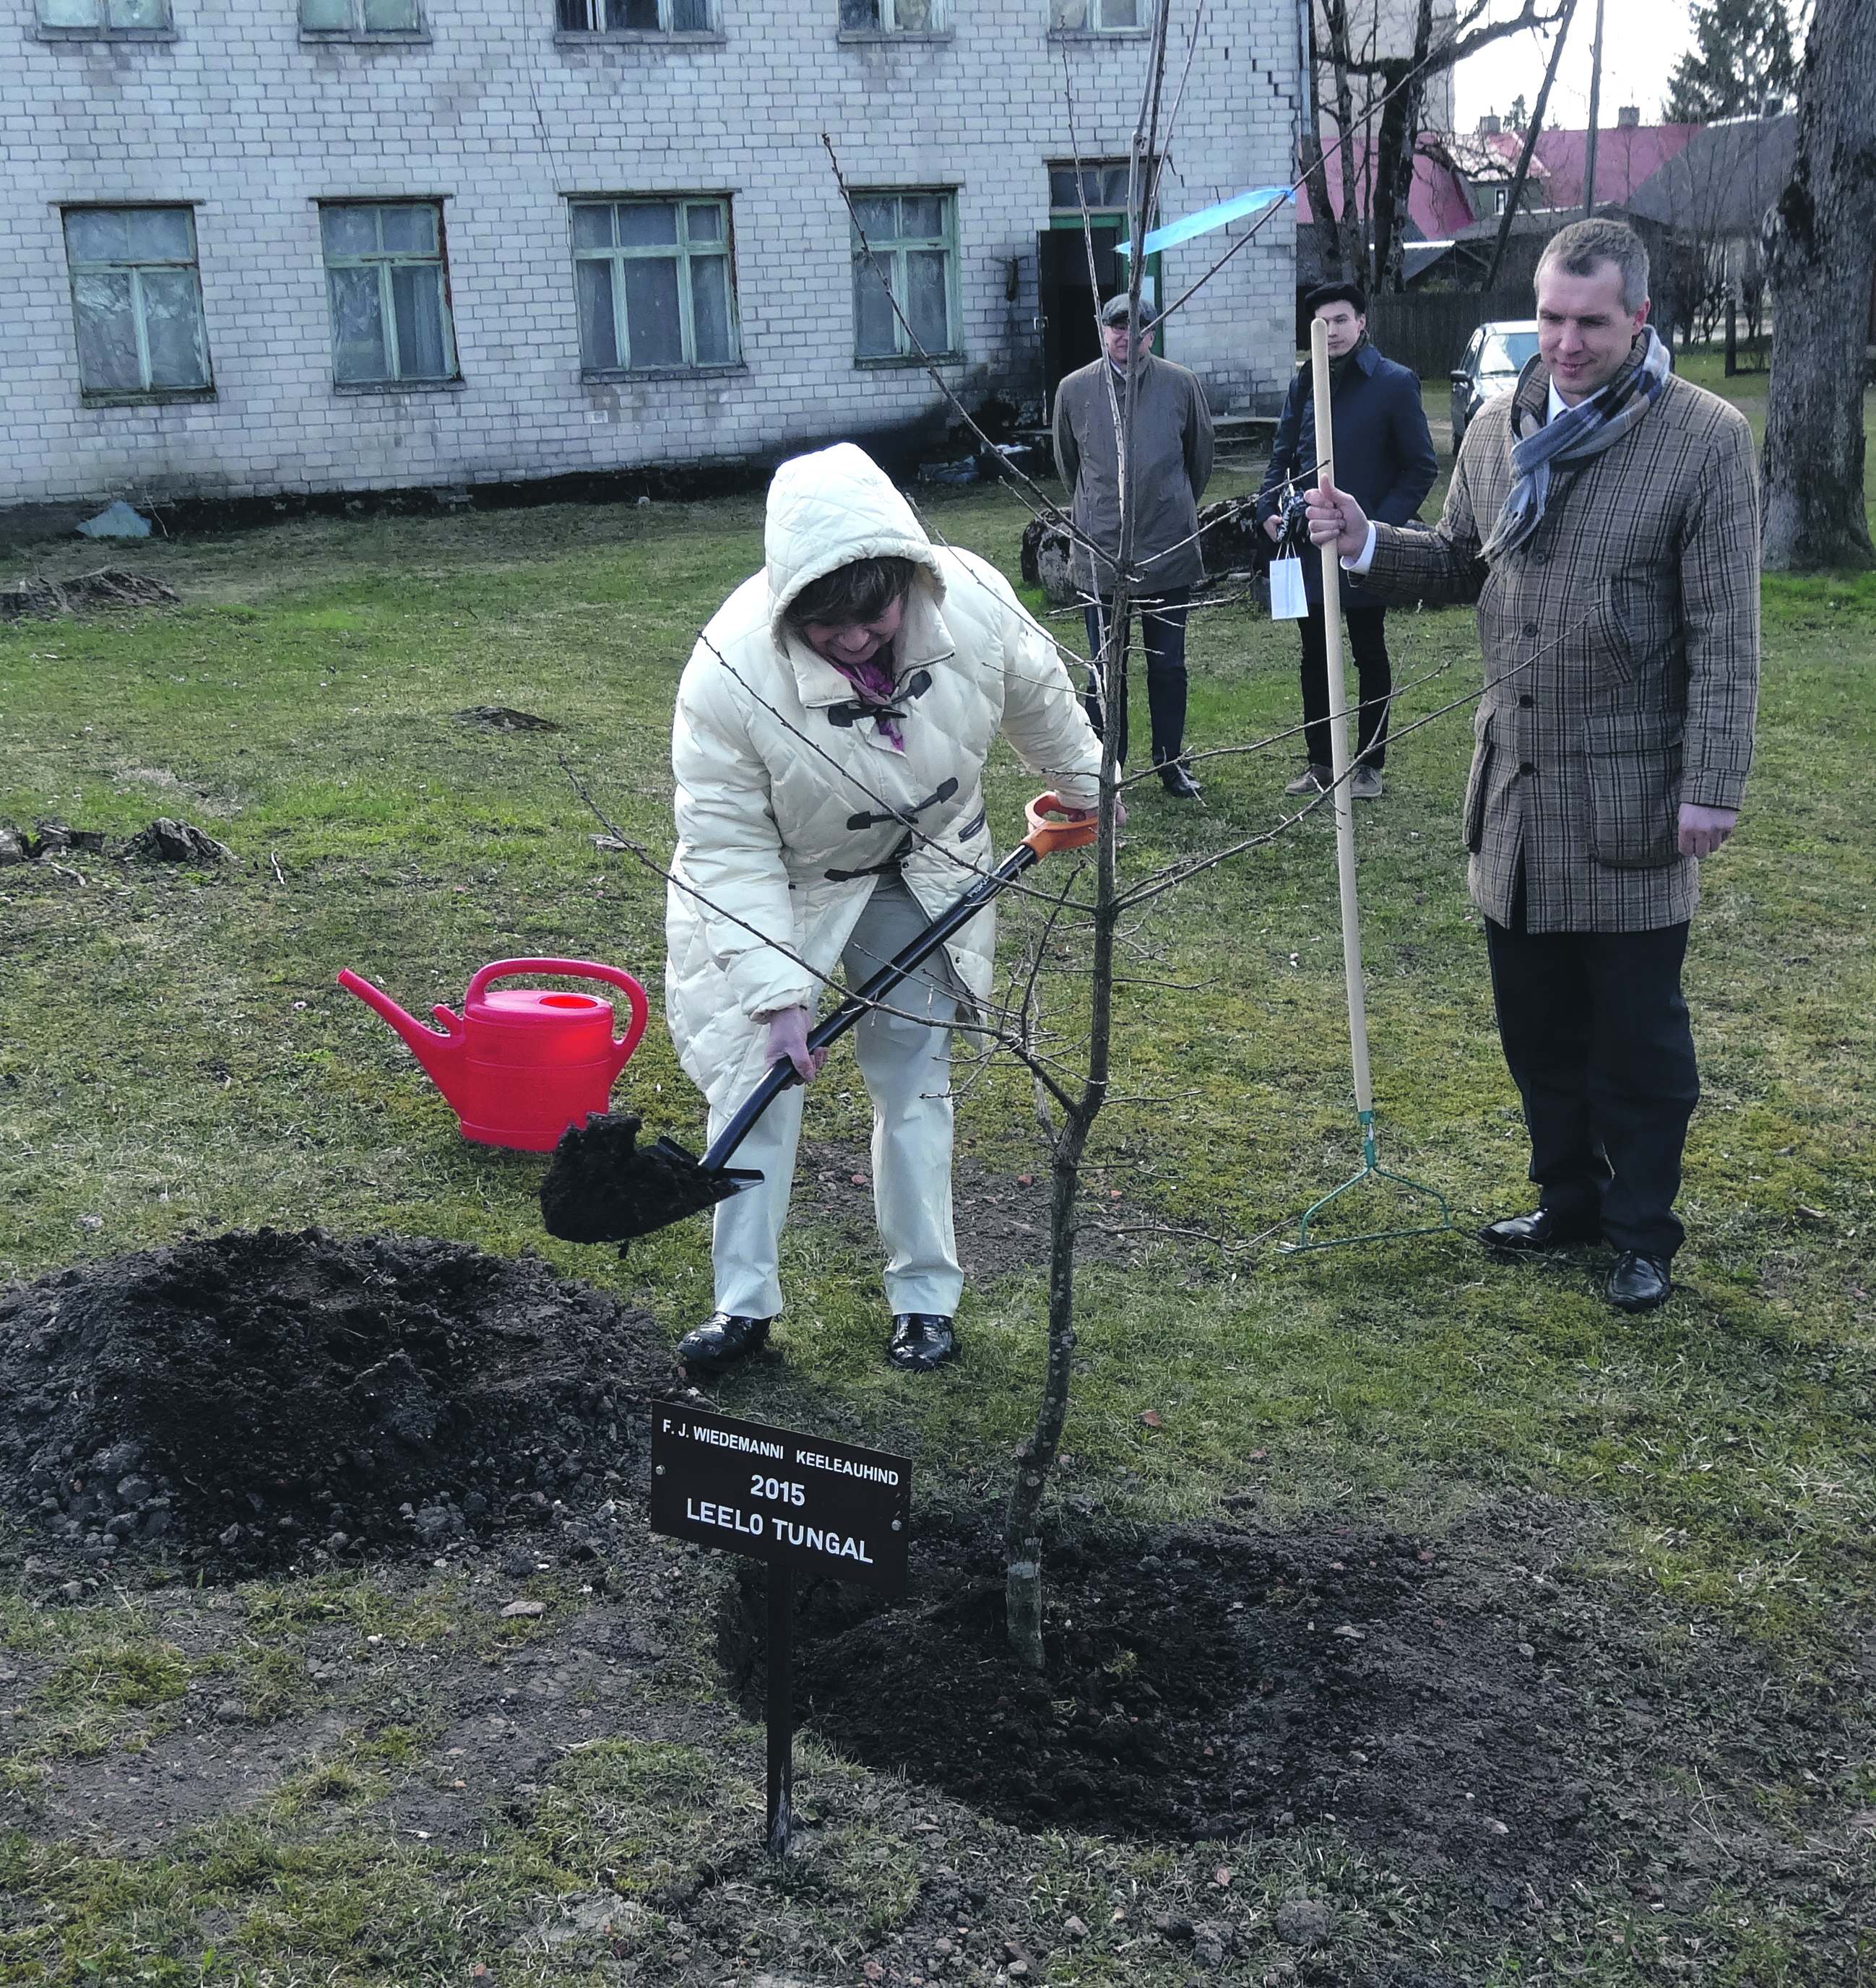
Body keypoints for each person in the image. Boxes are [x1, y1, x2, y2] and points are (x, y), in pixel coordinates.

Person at [1305, 218, 1759, 1313]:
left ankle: (1641, 1232)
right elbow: (1461, 561)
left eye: (1589, 322)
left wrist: (1712, 783)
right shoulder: (1497, 426)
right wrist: (1365, 540)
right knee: (1537, 1030)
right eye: (1550, 318)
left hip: (1630, 795)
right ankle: (1568, 1201)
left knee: (1636, 1044)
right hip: (1514, 792)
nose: (1565, 343)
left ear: (1638, 317)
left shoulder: (1704, 439)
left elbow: (1725, 632)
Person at [666, 441, 1106, 1377]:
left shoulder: (970, 599)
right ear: (791, 609)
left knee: (914, 1081)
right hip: (786, 881)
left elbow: (1040, 697)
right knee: (755, 1084)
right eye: (829, 627)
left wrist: (1085, 787)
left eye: (874, 618)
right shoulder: (728, 671)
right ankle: (742, 1305)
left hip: (924, 862)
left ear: (910, 581)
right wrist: (777, 1000)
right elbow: (727, 849)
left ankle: (923, 1299)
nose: (857, 641)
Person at [1257, 280, 1436, 801]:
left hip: (1365, 549)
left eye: (1340, 320)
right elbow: (1283, 452)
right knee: (1313, 655)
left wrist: (1376, 530)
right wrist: (1267, 507)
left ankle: (1369, 765)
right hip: (1310, 544)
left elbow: (1420, 467)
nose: (1331, 331)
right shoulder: (1304, 382)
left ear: (1361, 322)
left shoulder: (1393, 383)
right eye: (1321, 322)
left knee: (1368, 651)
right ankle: (1321, 762)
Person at [1052, 293, 1215, 799]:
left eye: (1139, 326)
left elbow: (1200, 460)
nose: (1128, 335)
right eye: (1118, 326)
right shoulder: (1073, 390)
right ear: (1103, 330)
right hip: (1101, 555)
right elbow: (1069, 467)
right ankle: (1107, 766)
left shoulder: (1181, 385)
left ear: (1153, 332)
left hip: (1167, 549)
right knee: (1106, 669)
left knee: (1167, 664)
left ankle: (1170, 761)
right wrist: (1102, 511)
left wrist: (1168, 507)